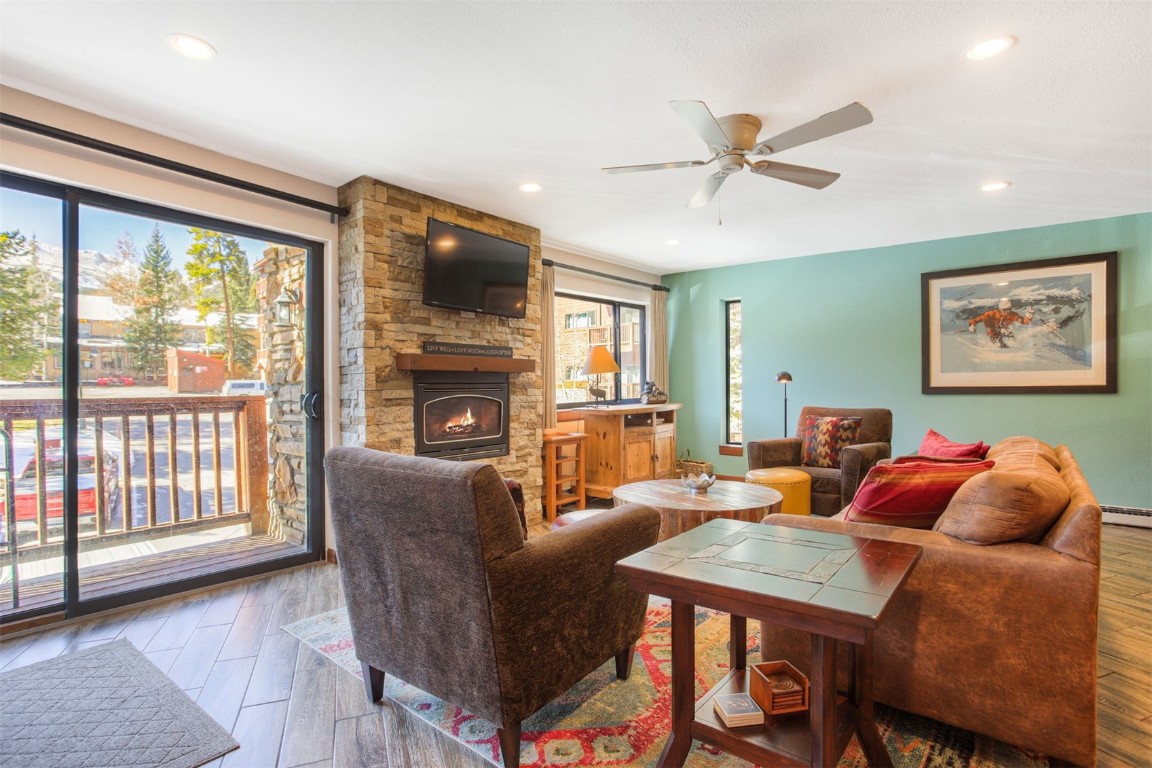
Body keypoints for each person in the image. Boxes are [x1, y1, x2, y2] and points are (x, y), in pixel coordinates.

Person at [968, 298, 1034, 348]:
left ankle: (1011, 347)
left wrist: (1029, 315)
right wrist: (972, 326)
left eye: (1009, 309)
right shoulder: (990, 314)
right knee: (997, 341)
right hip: (993, 332)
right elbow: (975, 320)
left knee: (1009, 335)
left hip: (1005, 331)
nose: (1007, 311)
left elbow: (1024, 322)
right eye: (1004, 309)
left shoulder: (1012, 314)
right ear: (1000, 309)